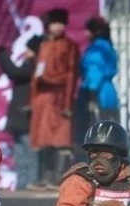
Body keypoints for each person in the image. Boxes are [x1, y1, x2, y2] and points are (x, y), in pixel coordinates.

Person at [28, 8, 80, 190]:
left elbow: (71, 74)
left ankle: (58, 178)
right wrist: (32, 100)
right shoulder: (43, 44)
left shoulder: (69, 45)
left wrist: (67, 103)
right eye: (54, 23)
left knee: (59, 139)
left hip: (59, 97)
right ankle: (43, 177)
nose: (58, 27)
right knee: (42, 139)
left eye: (61, 23)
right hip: (42, 98)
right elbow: (37, 73)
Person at [0, 34, 43, 190]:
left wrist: (3, 54)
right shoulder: (29, 64)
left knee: (28, 149)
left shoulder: (35, 66)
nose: (26, 52)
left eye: (29, 49)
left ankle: (31, 180)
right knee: (20, 150)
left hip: (26, 114)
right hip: (19, 114)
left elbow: (13, 72)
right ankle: (23, 181)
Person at [74, 17, 120, 151]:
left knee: (93, 136)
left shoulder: (97, 49)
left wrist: (91, 95)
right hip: (109, 95)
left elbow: (95, 72)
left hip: (97, 94)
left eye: (88, 31)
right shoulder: (108, 47)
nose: (86, 34)